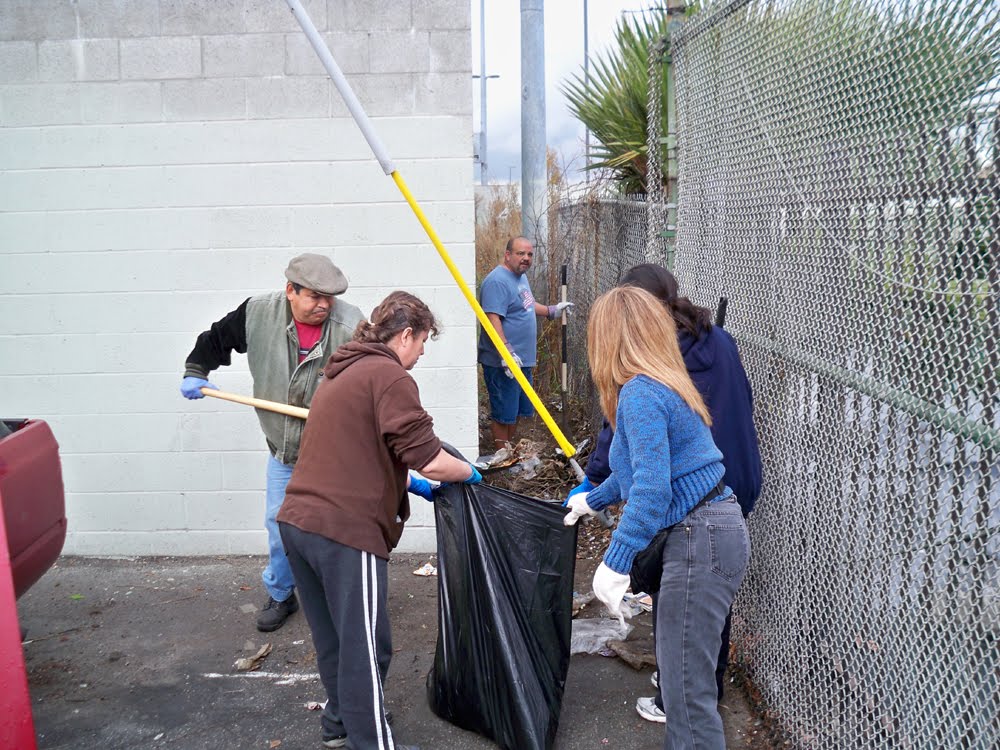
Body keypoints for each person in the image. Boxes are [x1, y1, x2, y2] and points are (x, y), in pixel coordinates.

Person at [277, 291, 482, 750]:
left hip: (298, 523)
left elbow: (359, 452)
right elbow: (429, 459)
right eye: (424, 341)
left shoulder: (342, 372)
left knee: (335, 641)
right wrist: (470, 472)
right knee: (367, 650)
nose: (423, 352)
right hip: (345, 531)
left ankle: (339, 725)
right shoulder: (389, 376)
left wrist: (406, 484)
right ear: (406, 334)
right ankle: (373, 742)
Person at [569, 264, 762, 721]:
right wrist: (592, 498)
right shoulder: (693, 356)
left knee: (686, 693)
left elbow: (652, 489)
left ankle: (684, 690)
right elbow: (638, 467)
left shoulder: (640, 391)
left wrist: (615, 563)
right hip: (728, 488)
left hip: (697, 517)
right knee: (690, 653)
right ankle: (691, 682)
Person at [179, 253, 364, 632]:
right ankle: (281, 595)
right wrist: (196, 370)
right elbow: (215, 340)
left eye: (330, 297)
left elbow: (376, 376)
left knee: (338, 525)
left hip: (333, 452)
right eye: (314, 296)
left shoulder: (350, 325)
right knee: (280, 525)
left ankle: (337, 594)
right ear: (290, 291)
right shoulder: (258, 313)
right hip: (283, 450)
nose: (324, 305)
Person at [477, 236, 573, 450]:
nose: (526, 258)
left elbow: (527, 305)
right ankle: (503, 456)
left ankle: (509, 451)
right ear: (507, 255)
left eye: (530, 254)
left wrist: (551, 310)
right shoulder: (497, 281)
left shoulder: (520, 278)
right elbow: (492, 320)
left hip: (522, 360)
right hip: (503, 362)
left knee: (517, 410)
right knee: (504, 413)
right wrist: (507, 353)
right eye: (521, 253)